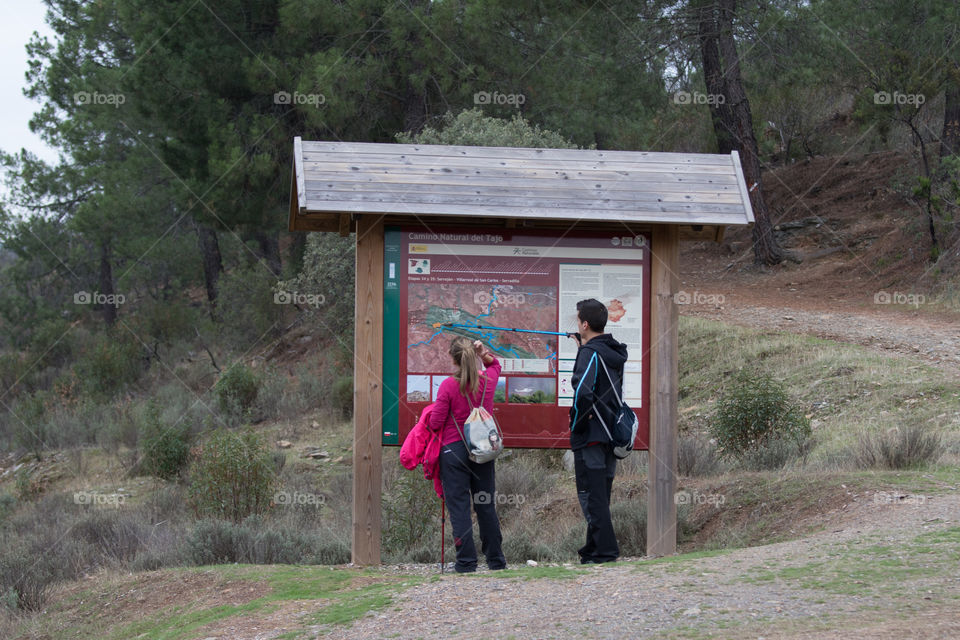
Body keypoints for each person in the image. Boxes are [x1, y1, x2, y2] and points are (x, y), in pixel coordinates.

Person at [429, 336, 506, 573]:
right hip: (481, 450)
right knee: (485, 505)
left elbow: (435, 422)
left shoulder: (448, 386)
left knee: (459, 508)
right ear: (472, 357)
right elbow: (495, 366)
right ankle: (496, 560)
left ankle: (466, 562)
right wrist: (483, 353)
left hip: (454, 452)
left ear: (454, 360)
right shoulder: (488, 382)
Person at [569, 298, 628, 564]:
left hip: (591, 434)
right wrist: (584, 346)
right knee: (601, 493)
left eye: (578, 319)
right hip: (611, 432)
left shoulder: (590, 353)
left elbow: (583, 393)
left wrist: (576, 425)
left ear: (585, 324)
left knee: (591, 494)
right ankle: (593, 549)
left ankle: (605, 551)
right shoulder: (612, 350)